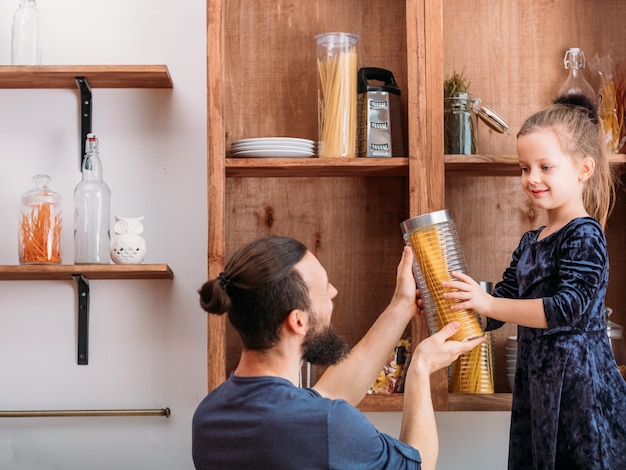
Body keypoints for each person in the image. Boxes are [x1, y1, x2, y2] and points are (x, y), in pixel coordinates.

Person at [441, 94, 626, 469]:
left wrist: (488, 303)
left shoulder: (585, 235)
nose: (532, 178)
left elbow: (566, 309)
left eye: (545, 167)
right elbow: (496, 309)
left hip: (579, 391)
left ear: (584, 169)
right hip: (537, 388)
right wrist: (452, 299)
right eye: (524, 168)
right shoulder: (531, 241)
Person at [192, 236, 484, 469]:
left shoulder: (210, 414)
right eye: (323, 289)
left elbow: (332, 392)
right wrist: (420, 369)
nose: (333, 292)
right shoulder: (327, 423)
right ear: (298, 321)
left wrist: (402, 306)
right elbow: (419, 464)